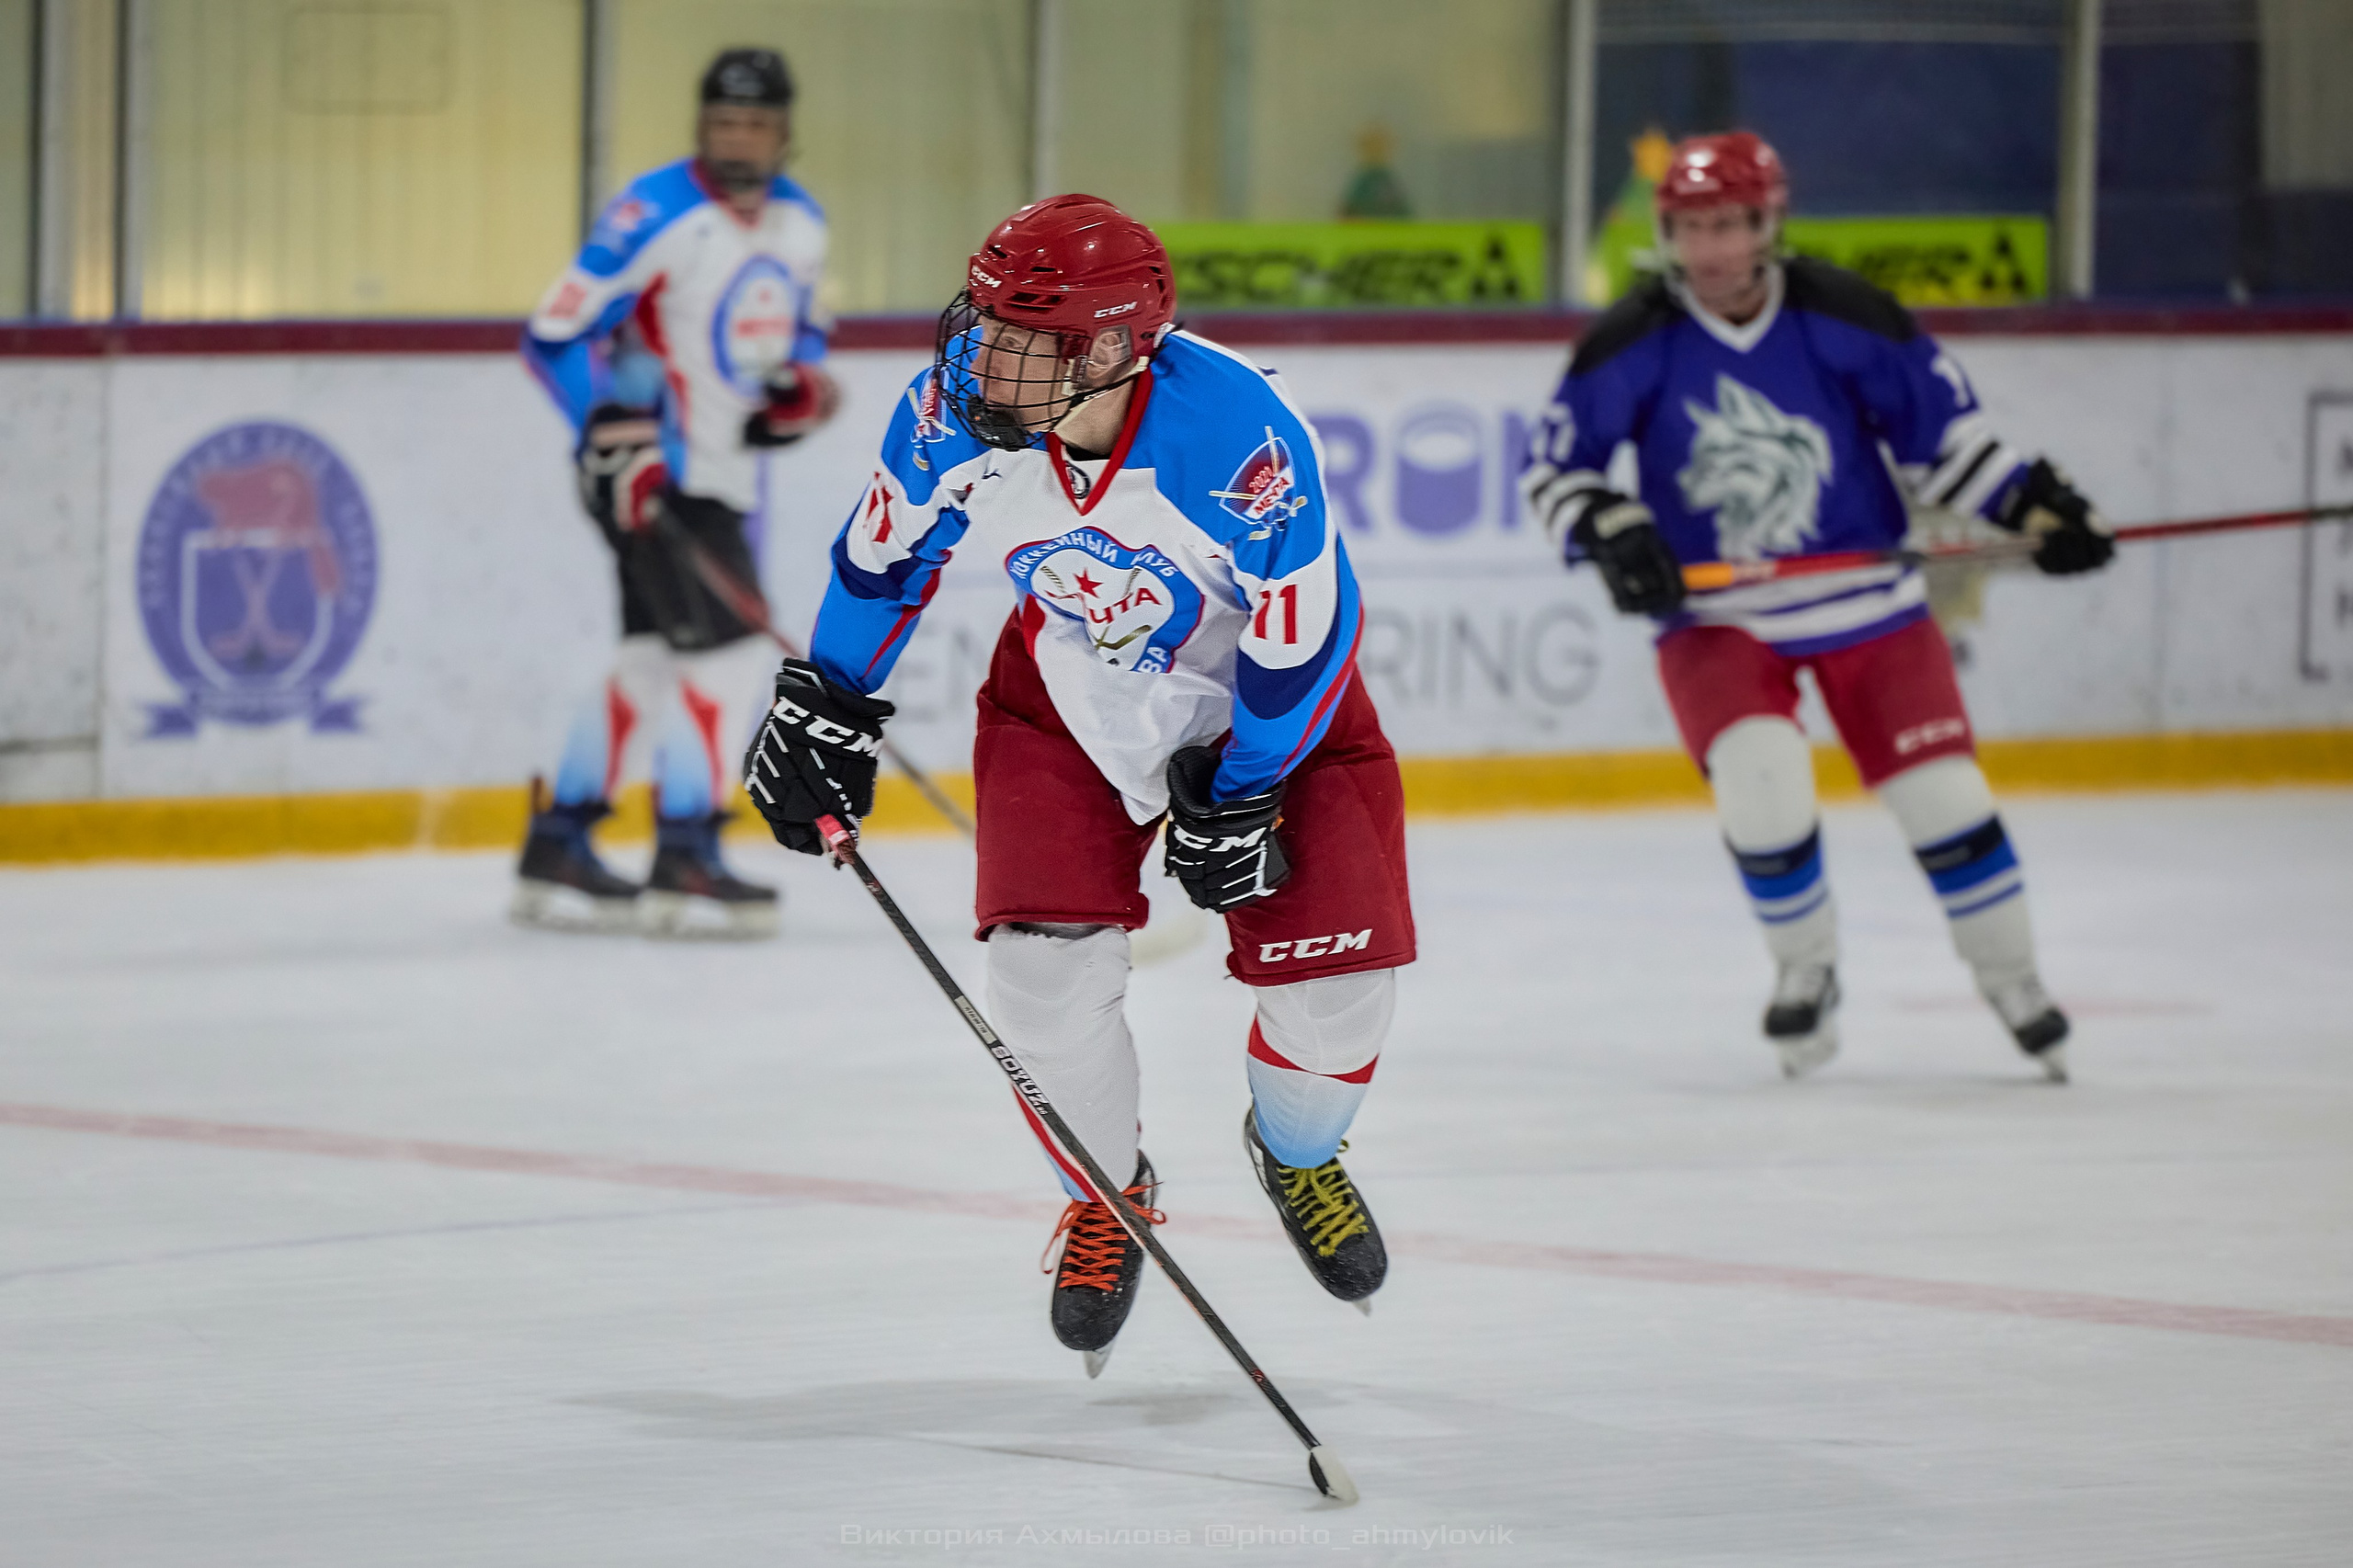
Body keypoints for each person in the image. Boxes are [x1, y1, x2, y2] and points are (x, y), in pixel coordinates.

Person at [742, 196, 1415, 1367]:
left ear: (1112, 348)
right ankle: (1108, 1192)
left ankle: (1297, 1152)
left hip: (1267, 709)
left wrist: (1248, 782)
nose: (980, 354)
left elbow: (1309, 629)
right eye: (984, 319)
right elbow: (882, 553)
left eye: (1020, 334)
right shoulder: (958, 409)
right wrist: (830, 700)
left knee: (1339, 990)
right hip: (1068, 697)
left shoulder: (1239, 438)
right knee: (1040, 979)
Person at [1521, 131, 2114, 1081]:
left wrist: (2042, 509)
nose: (1710, 250)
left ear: (1768, 224)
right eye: (1690, 228)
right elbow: (1557, 467)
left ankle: (2013, 979)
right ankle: (1807, 969)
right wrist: (1613, 527)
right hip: (1721, 619)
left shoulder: (1849, 317)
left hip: (1869, 606)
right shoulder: (1632, 338)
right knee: (1762, 788)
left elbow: (1948, 446)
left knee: (1946, 801)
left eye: (1729, 225)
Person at [511, 46, 839, 937]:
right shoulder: (653, 212)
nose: (738, 141)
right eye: (722, 123)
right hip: (652, 479)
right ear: (701, 128)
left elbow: (798, 334)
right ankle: (685, 849)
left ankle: (561, 840)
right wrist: (605, 422)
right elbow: (551, 334)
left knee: (654, 658)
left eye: (756, 125)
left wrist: (802, 387)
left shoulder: (801, 225)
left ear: (784, 133)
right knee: (726, 656)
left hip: (722, 477)